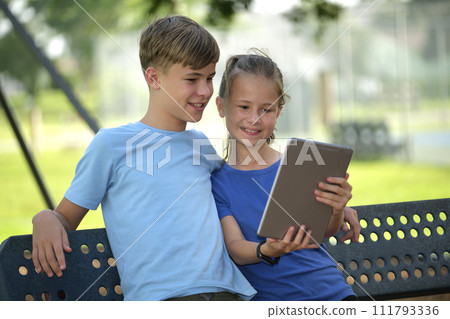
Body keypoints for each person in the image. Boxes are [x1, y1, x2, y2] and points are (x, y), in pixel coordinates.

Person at [31, 15, 256, 301]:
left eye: (210, 78)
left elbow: (240, 197)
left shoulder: (200, 145)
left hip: (228, 295)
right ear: (153, 78)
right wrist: (44, 218)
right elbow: (64, 218)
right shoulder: (112, 145)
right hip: (164, 299)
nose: (205, 91)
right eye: (192, 79)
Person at [211, 51, 359, 301]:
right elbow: (235, 247)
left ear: (278, 112)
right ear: (221, 106)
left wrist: (336, 209)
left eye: (266, 109)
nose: (254, 118)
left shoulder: (301, 165)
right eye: (244, 106)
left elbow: (325, 232)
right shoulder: (218, 183)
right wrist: (266, 249)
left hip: (334, 294)